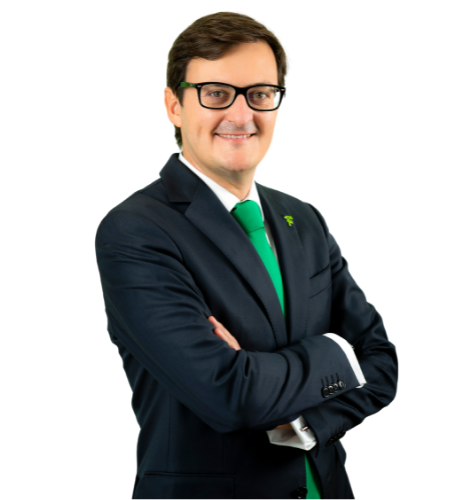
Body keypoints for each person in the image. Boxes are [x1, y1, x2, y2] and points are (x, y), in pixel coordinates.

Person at [95, 11, 399, 500]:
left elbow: (382, 362)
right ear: (174, 106)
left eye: (260, 94)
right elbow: (230, 395)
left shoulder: (304, 217)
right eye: (216, 93)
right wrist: (339, 353)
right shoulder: (135, 230)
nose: (241, 116)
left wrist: (303, 425)